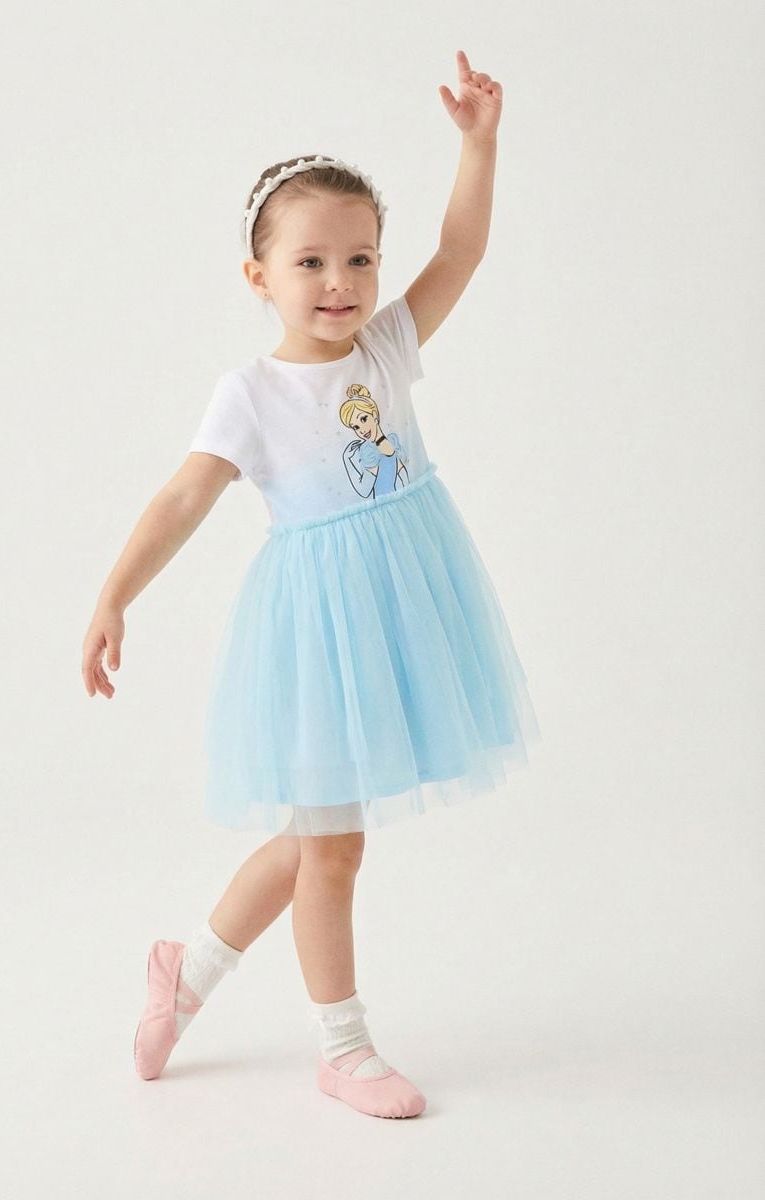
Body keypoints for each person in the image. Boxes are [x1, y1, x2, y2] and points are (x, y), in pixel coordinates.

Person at [80, 51, 541, 1120]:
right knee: (331, 847)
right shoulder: (249, 394)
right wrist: (114, 594)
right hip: (324, 634)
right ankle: (344, 1048)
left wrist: (478, 146)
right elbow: (183, 498)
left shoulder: (387, 345)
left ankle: (186, 972)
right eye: (312, 262)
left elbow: (463, 249)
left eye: (360, 258)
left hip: (404, 612)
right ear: (260, 277)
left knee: (313, 840)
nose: (341, 282)